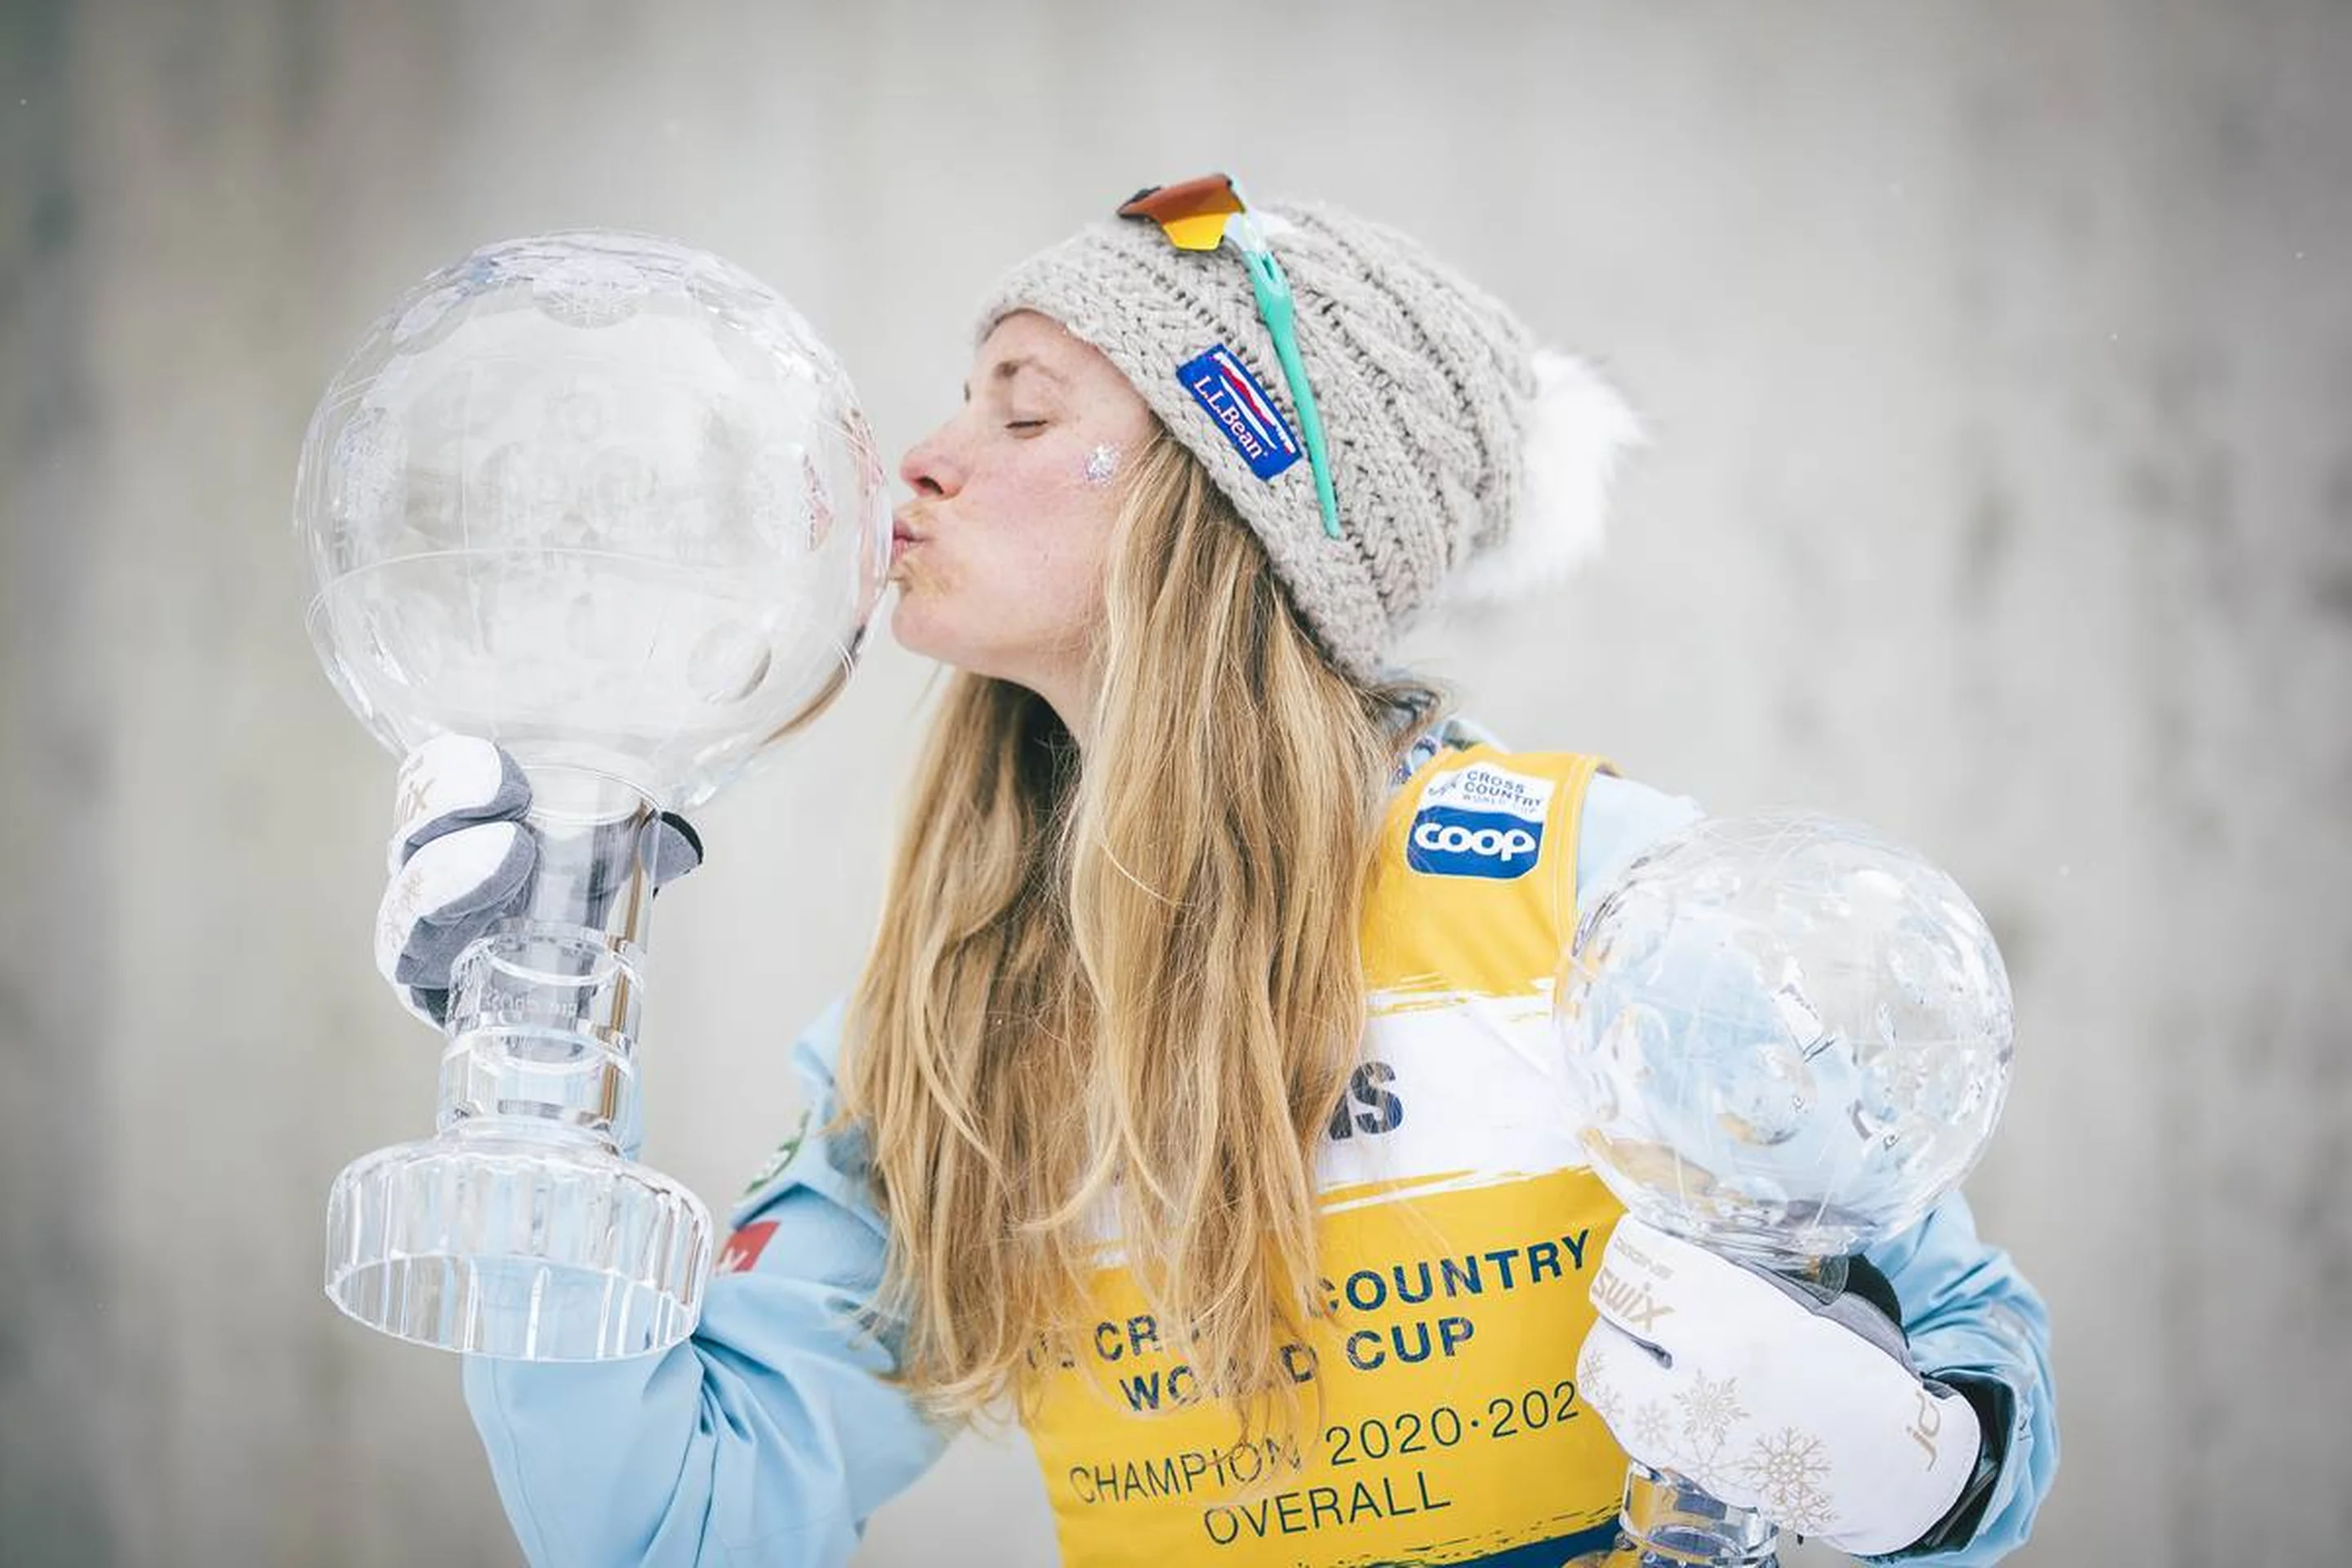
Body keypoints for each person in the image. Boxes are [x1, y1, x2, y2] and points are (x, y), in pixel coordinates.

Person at [381, 176, 2056, 1567]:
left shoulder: (1604, 899)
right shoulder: (950, 1035)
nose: (922, 461)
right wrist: (537, 1077)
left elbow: (1967, 1369)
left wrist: (1913, 1466)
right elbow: (673, 1526)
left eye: (1023, 407)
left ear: (1228, 502)